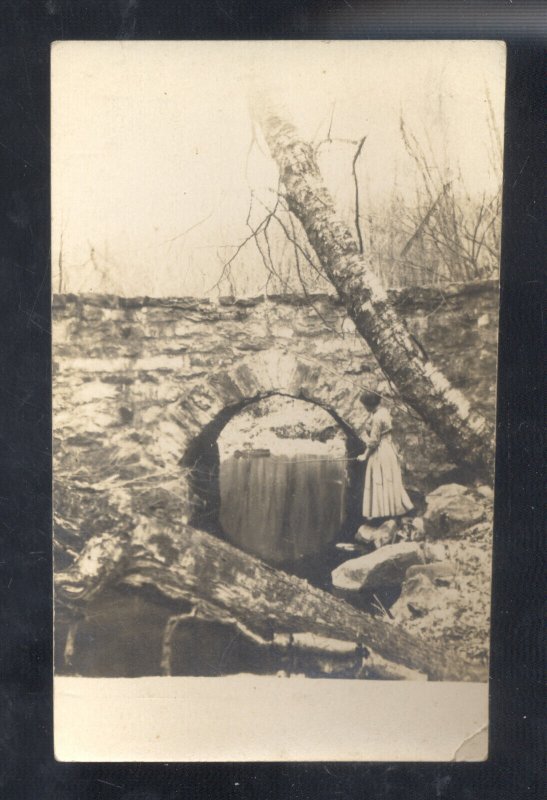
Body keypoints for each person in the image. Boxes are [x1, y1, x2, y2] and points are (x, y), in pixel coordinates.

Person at [357, 391, 413, 522]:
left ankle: (382, 514)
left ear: (369, 405)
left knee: (379, 478)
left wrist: (364, 456)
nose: (364, 408)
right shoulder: (383, 411)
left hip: (381, 451)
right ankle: (393, 511)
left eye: (365, 405)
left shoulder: (377, 418)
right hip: (389, 449)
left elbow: (373, 441)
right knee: (390, 480)